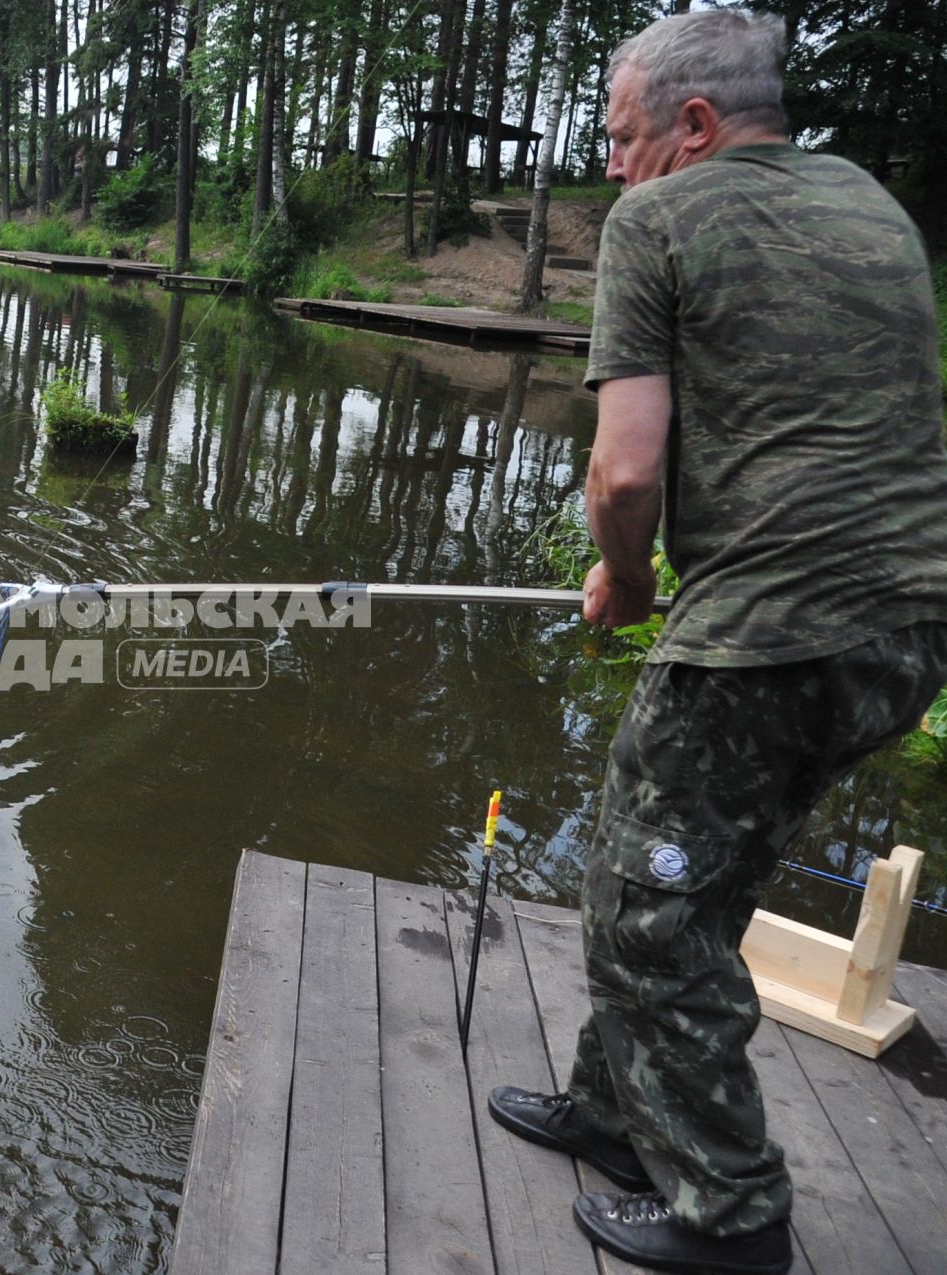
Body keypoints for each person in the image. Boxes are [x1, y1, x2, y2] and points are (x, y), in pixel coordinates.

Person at [485, 10, 947, 1275]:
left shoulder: (662, 219)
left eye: (627, 138)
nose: (617, 167)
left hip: (773, 633)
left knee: (646, 912)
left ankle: (731, 1213)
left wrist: (624, 577)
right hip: (908, 632)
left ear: (695, 125)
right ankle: (622, 1114)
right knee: (687, 876)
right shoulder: (865, 200)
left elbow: (625, 471)